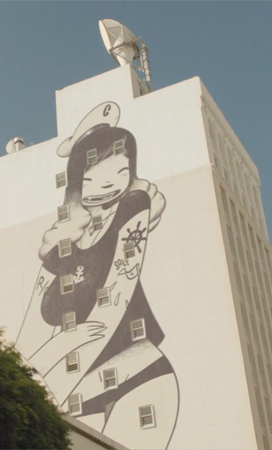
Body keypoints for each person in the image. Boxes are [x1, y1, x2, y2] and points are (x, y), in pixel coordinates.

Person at [15, 102, 179, 449]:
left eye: (120, 172)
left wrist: (34, 395)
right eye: (93, 178)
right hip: (74, 397)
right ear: (76, 182)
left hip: (138, 375)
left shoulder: (132, 208)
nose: (109, 186)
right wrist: (52, 354)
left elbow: (112, 307)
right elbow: (28, 337)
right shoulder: (59, 247)